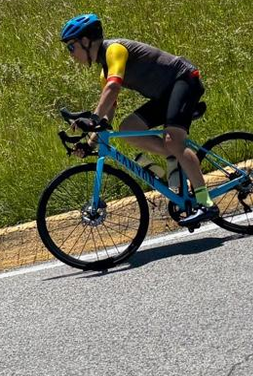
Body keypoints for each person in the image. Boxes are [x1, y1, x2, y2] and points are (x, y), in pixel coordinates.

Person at [57, 13, 216, 227]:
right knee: (128, 128)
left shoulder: (114, 50)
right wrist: (90, 144)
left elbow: (113, 87)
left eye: (71, 47)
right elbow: (108, 113)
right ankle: (176, 160)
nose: (70, 54)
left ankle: (206, 203)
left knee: (173, 140)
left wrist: (92, 118)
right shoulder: (104, 71)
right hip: (166, 95)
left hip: (184, 80)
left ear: (86, 41)